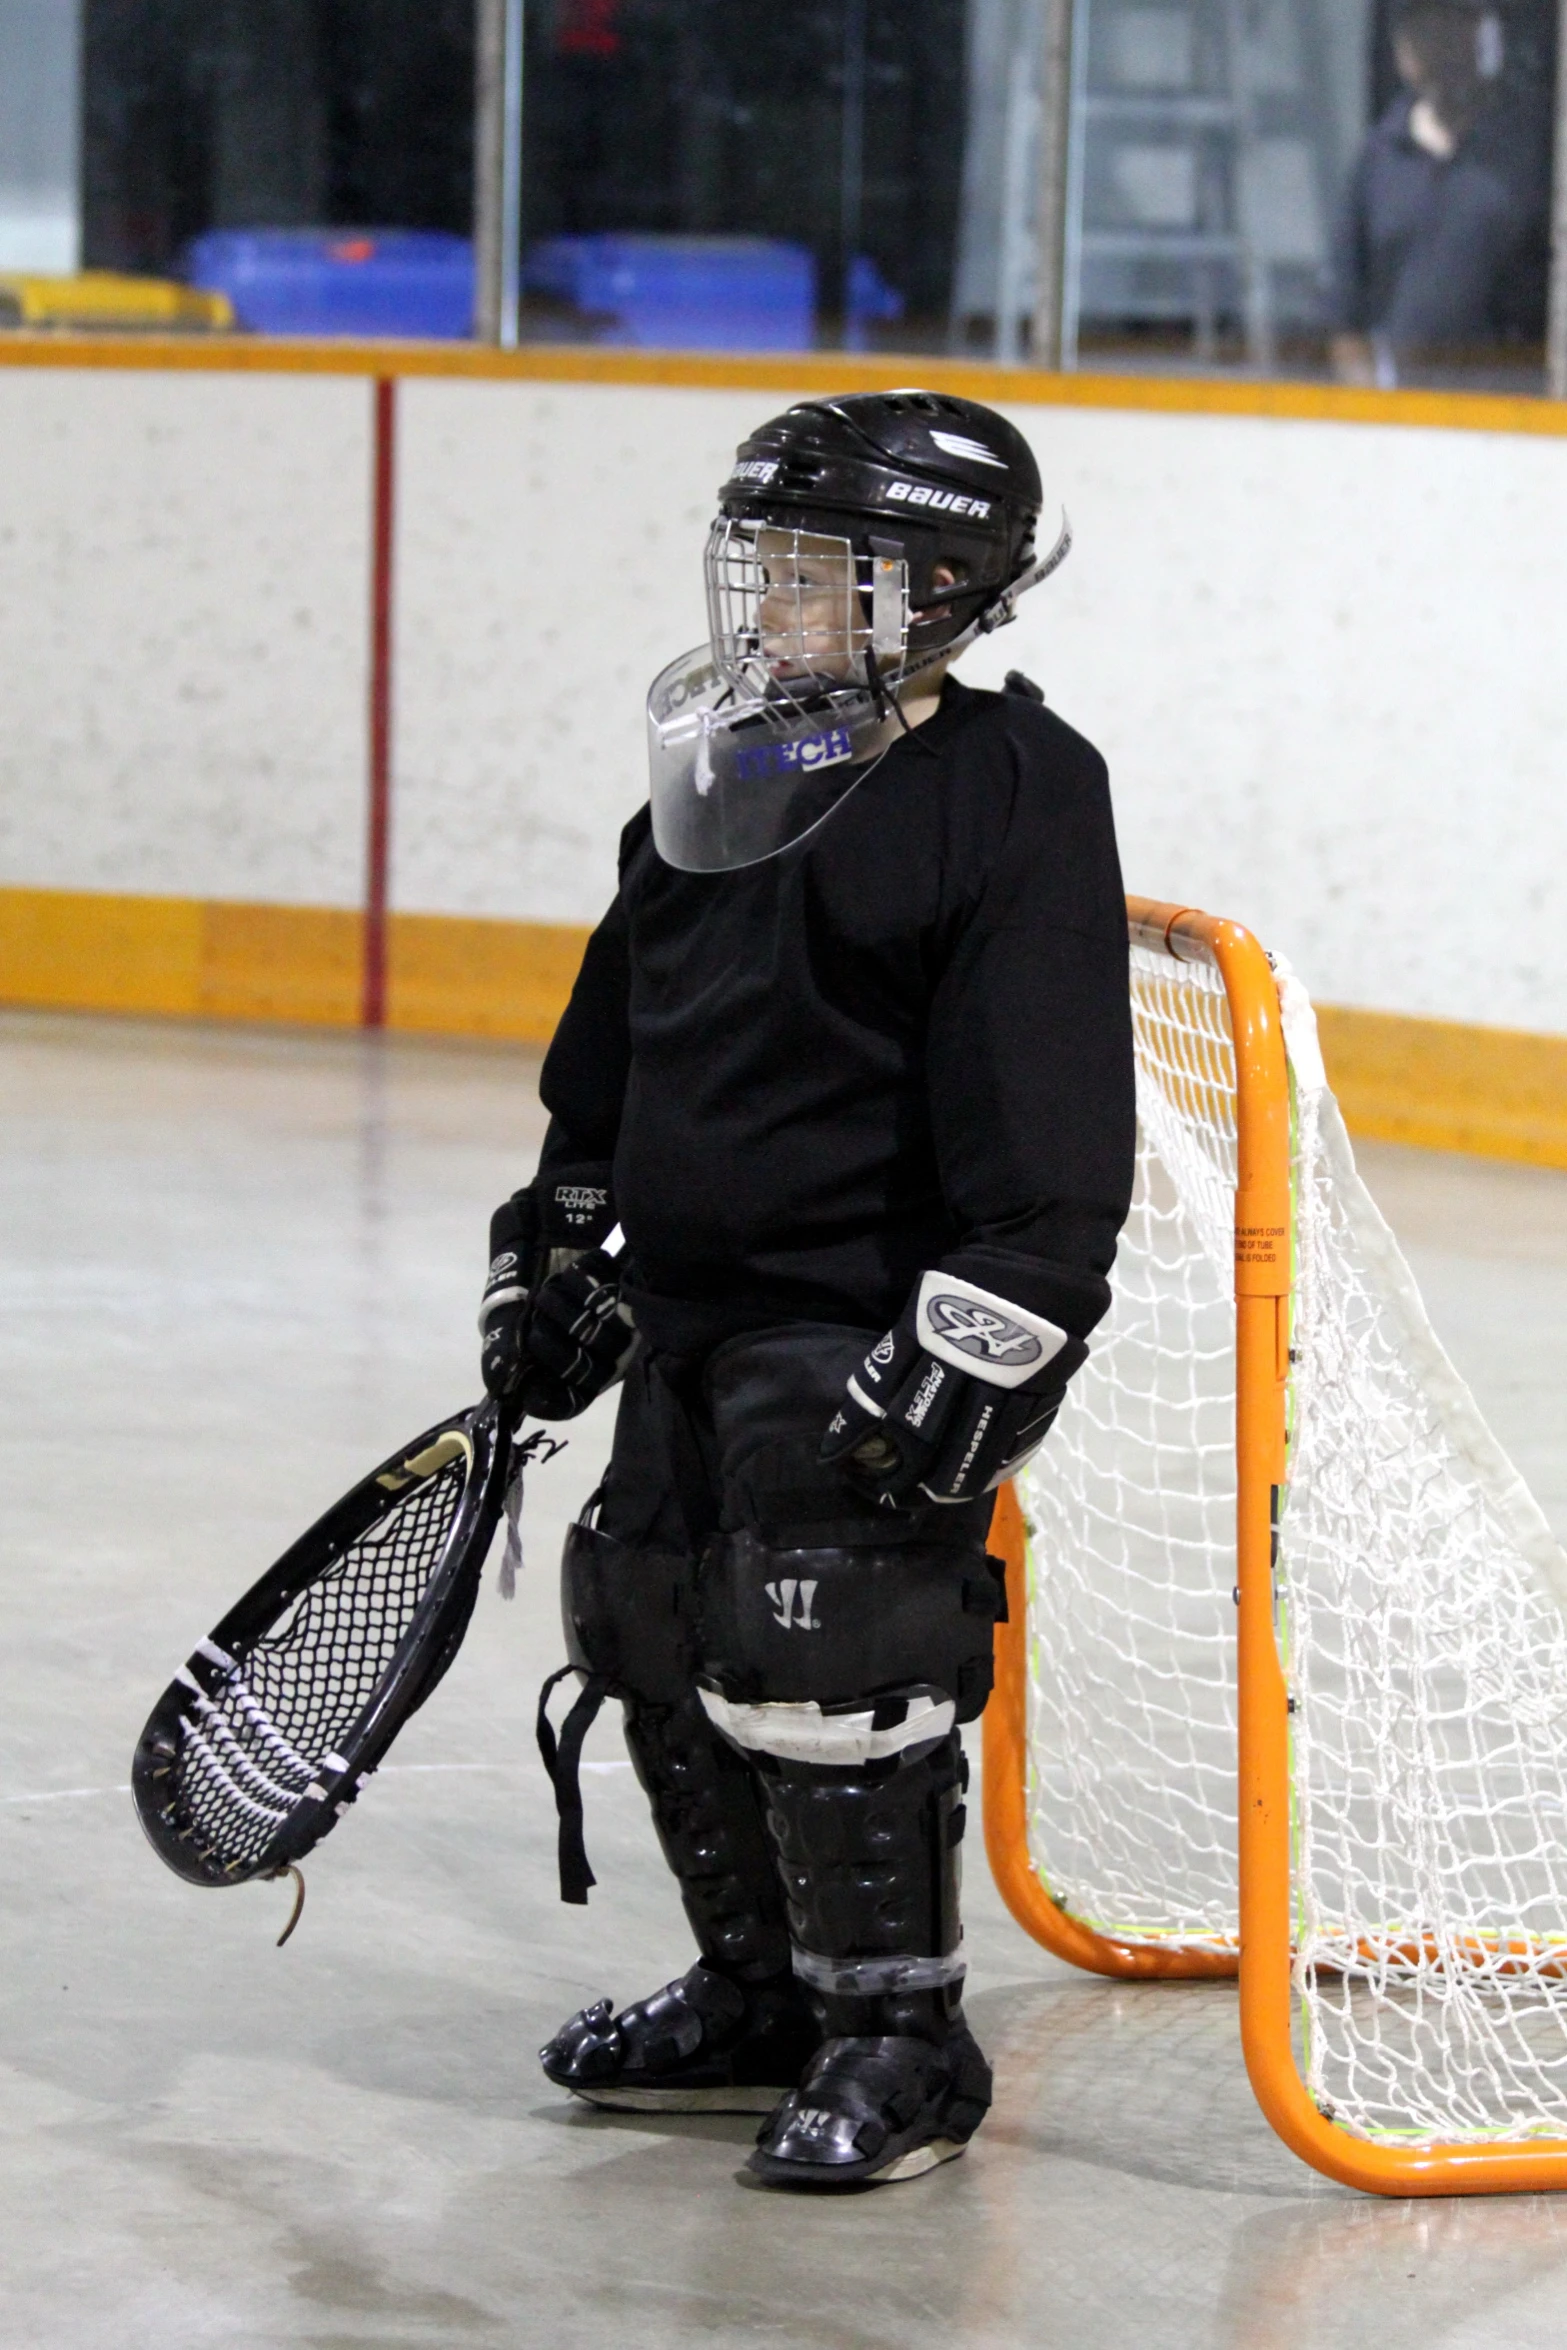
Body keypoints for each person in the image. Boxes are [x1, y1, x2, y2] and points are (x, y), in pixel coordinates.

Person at [478, 389, 1135, 2188]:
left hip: (853, 1313)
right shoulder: (724, 768)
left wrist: (1001, 1318)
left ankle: (900, 2042)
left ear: (933, 585)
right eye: (756, 555)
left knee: (827, 1635)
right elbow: (620, 1041)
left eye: (813, 564)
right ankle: (759, 1994)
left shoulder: (1009, 786)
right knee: (641, 1614)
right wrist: (561, 1230)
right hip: (690, 1311)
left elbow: (1051, 1111)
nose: (765, 592)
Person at [1330, 0, 1552, 385]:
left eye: (1451, 22)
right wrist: (1373, 412)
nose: (1437, 44)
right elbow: (1346, 313)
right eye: (1422, 29)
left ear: (1477, 32)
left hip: (1515, 415)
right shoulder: (1378, 159)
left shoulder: (1529, 152)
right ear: (1401, 49)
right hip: (1406, 412)